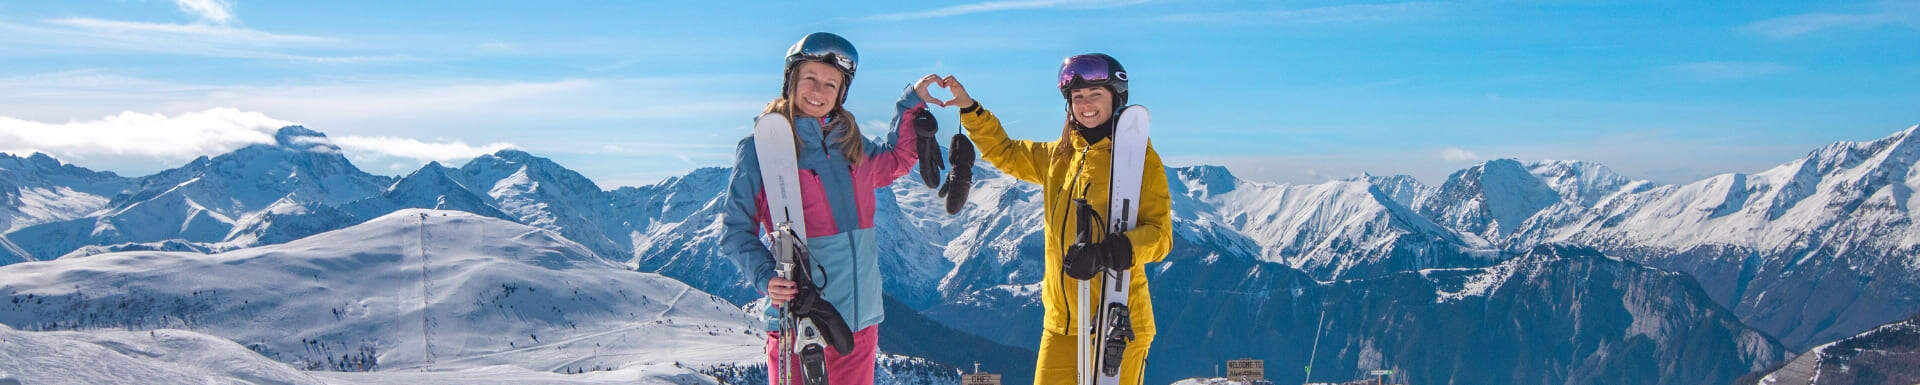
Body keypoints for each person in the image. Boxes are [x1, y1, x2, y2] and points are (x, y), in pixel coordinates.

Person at [923, 53, 1171, 385]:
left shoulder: (1139, 160)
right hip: (1061, 324)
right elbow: (1005, 151)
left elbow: (1160, 236)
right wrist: (969, 109)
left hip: (1116, 322)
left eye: (1095, 94)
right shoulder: (1058, 156)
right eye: (1077, 97)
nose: (1085, 104)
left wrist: (1106, 253)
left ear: (1116, 98)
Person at [719, 32, 944, 385]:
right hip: (800, 319)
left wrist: (911, 102)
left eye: (830, 84)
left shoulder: (851, 144)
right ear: (791, 81)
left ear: (841, 93)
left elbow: (896, 161)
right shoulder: (762, 149)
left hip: (859, 322)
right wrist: (765, 277)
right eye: (810, 78)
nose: (818, 91)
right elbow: (734, 231)